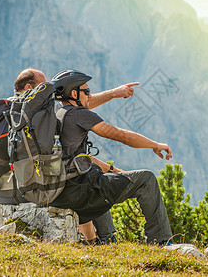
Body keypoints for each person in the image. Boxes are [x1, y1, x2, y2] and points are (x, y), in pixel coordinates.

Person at [0, 68, 139, 243]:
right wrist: (112, 94)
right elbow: (75, 108)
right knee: (86, 180)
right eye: (45, 86)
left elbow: (76, 106)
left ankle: (96, 241)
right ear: (29, 87)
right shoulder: (35, 114)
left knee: (82, 175)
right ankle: (103, 240)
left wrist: (113, 94)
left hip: (3, 190)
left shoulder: (11, 113)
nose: (54, 91)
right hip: (32, 188)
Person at [50, 69, 174, 245]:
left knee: (98, 179)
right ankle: (161, 241)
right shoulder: (79, 115)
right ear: (74, 93)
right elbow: (122, 136)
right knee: (146, 179)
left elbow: (82, 159)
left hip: (61, 191)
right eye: (87, 92)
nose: (90, 96)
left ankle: (107, 240)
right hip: (78, 192)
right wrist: (155, 144)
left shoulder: (59, 114)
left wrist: (114, 93)